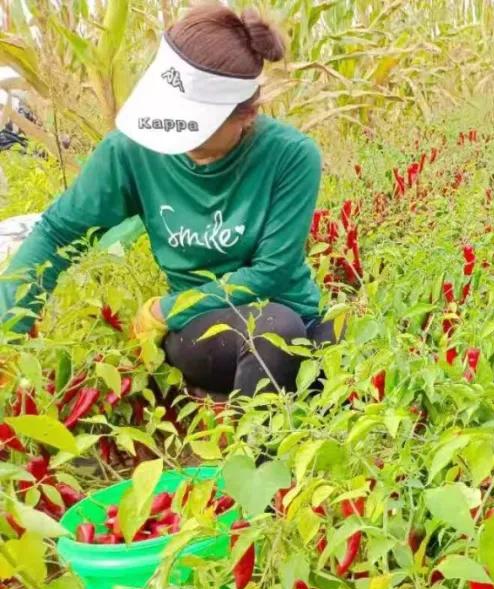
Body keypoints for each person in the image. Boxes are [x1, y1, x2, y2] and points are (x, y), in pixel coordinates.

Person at [0, 3, 335, 398]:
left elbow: (271, 274)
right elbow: (57, 233)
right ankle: (253, 455)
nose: (182, 139)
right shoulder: (133, 151)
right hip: (205, 329)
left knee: (339, 340)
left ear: (245, 115)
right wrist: (6, 335)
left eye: (197, 128)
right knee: (275, 331)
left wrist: (164, 310)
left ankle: (265, 423)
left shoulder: (291, 156)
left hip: (291, 318)